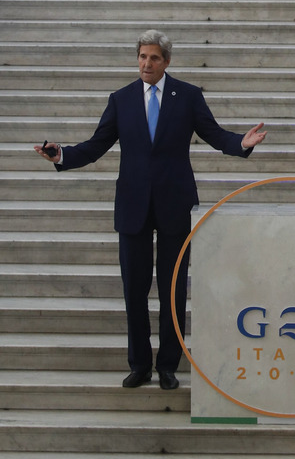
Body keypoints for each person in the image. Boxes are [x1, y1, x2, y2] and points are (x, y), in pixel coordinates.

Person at [34, 29, 266, 391]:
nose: (147, 63)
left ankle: (168, 366)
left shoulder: (187, 96)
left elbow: (215, 134)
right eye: (142, 57)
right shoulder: (121, 99)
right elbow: (96, 145)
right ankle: (139, 364)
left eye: (154, 57)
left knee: (172, 291)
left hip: (175, 205)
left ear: (166, 61)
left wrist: (242, 143)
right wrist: (61, 153)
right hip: (133, 207)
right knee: (135, 290)